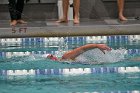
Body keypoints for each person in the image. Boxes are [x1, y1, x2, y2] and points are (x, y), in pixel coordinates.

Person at [42, 44, 111, 61]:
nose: (52, 57)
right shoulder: (64, 60)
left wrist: (97, 45)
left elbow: (82, 49)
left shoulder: (65, 57)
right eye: (50, 57)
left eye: (51, 56)